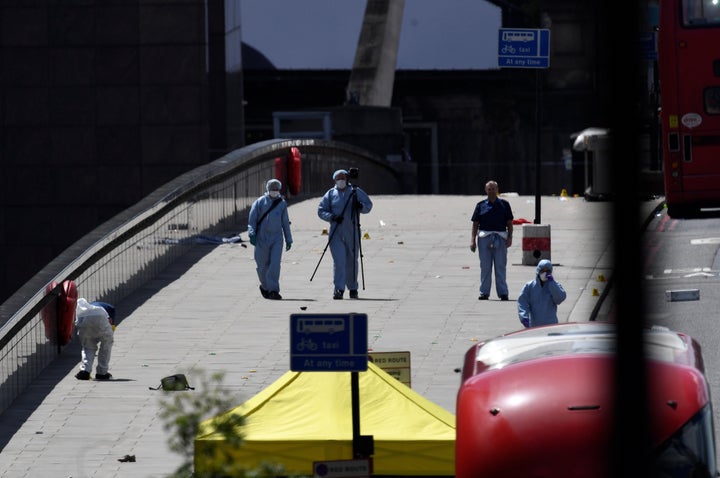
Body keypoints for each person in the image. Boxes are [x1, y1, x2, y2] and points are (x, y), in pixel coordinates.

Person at [318, 169, 373, 299]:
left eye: (343, 177)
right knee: (339, 261)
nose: (341, 180)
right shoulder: (331, 194)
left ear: (347, 178)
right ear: (334, 180)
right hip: (336, 232)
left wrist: (360, 206)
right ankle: (339, 289)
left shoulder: (355, 191)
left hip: (352, 231)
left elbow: (368, 205)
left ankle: (353, 288)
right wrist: (332, 217)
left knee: (352, 261)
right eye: (338, 178)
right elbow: (321, 210)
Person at [248, 179, 293, 300]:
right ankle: (265, 286)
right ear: (268, 189)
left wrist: (288, 239)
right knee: (262, 265)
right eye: (272, 188)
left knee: (275, 264)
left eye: (276, 188)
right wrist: (252, 234)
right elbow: (252, 221)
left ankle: (273, 290)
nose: (274, 190)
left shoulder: (281, 203)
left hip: (276, 238)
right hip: (261, 238)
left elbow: (285, 222)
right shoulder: (259, 202)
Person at [470, 180, 514, 301]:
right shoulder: (480, 205)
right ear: (486, 190)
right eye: (489, 189)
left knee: (500, 266)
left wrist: (510, 237)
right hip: (484, 238)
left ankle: (503, 293)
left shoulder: (504, 204)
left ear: (497, 189)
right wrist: (473, 240)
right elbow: (475, 224)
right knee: (485, 266)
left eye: (493, 189)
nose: (491, 191)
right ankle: (484, 292)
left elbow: (509, 223)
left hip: (500, 237)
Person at [517, 259, 567, 328]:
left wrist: (552, 284)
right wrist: (524, 317)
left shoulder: (555, 285)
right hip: (535, 326)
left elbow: (560, 299)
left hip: (551, 325)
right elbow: (522, 302)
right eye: (543, 271)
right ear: (538, 271)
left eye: (548, 271)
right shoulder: (529, 286)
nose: (545, 273)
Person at [74, 298, 114, 380]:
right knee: (106, 345)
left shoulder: (87, 307)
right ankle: (102, 373)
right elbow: (111, 322)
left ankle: (84, 371)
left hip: (84, 320)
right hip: (100, 317)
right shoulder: (111, 308)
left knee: (88, 346)